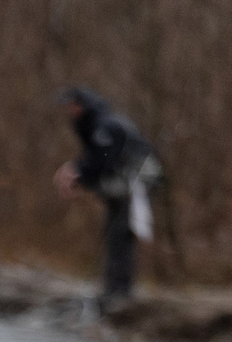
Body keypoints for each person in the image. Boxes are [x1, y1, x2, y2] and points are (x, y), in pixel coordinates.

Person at [56, 86, 161, 307]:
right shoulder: (98, 125)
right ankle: (113, 288)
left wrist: (77, 174)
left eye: (73, 106)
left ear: (83, 105)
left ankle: (120, 291)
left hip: (135, 184)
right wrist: (79, 173)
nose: (70, 111)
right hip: (125, 185)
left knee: (121, 232)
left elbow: (101, 161)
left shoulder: (106, 126)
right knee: (114, 231)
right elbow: (96, 161)